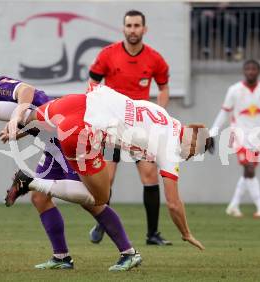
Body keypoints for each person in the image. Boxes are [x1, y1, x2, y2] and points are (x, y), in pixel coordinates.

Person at [0, 60, 142, 271]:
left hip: (67, 138)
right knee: (40, 197)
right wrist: (20, 130)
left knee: (93, 202)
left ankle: (129, 253)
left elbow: (27, 91)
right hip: (53, 143)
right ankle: (61, 257)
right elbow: (36, 111)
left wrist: (18, 117)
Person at [2, 84, 208, 252]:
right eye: (194, 153)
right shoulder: (171, 148)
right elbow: (173, 204)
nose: (189, 157)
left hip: (85, 101)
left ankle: (1, 117)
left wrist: (23, 130)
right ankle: (30, 182)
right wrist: (186, 233)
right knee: (100, 197)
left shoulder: (162, 113)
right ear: (192, 142)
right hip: (88, 129)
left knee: (28, 117)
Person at [87, 10, 172, 246]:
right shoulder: (108, 55)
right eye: (129, 25)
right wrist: (99, 108)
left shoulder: (155, 59)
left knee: (149, 175)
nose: (133, 30)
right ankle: (102, 222)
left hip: (139, 128)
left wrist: (158, 113)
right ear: (123, 28)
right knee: (106, 180)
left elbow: (164, 89)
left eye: (137, 26)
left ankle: (152, 234)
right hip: (112, 126)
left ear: (145, 29)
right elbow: (92, 83)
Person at [207, 59, 260, 218]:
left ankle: (233, 205)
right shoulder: (234, 90)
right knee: (249, 168)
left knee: (248, 172)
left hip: (258, 137)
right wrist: (212, 133)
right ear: (244, 71)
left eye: (254, 69)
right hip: (239, 135)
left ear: (259, 71)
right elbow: (224, 112)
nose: (251, 72)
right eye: (248, 69)